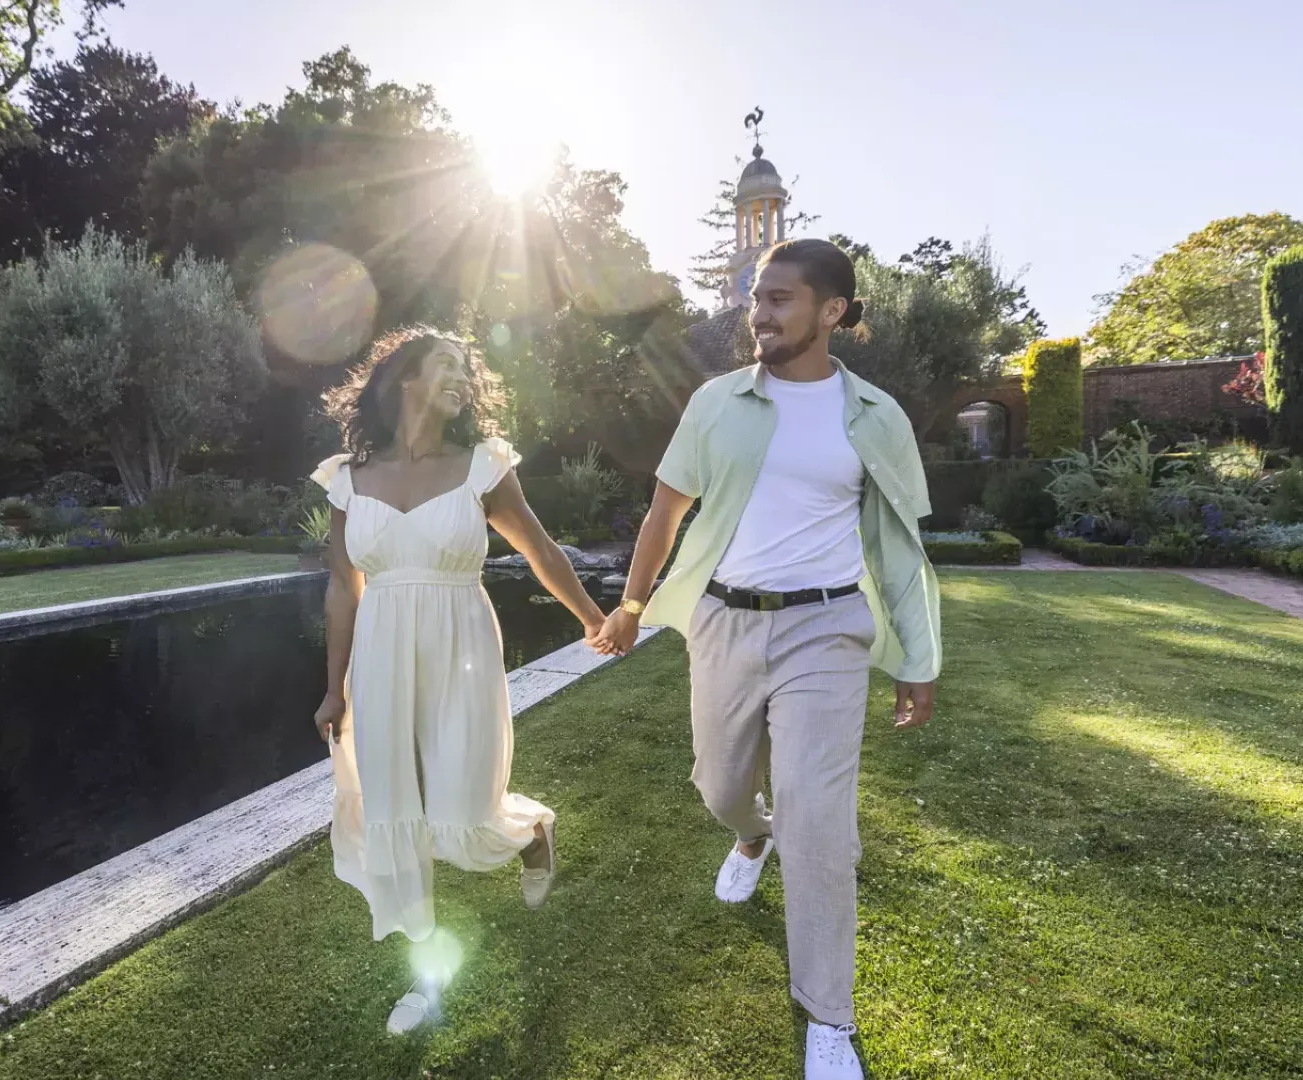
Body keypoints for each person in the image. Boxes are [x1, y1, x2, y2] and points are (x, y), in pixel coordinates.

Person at [591, 238, 941, 1079]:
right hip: (724, 623)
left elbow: (899, 547)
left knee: (822, 824)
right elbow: (663, 515)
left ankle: (829, 1015)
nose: (760, 314)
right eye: (757, 298)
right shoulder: (718, 402)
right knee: (719, 788)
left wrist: (918, 658)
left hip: (827, 630)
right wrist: (633, 604)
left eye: (780, 300)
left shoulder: (876, 418)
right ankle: (752, 839)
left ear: (831, 311)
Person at [312, 326, 609, 1035]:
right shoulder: (347, 480)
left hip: (462, 645)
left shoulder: (482, 467)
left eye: (467, 369)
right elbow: (340, 589)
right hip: (379, 655)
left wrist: (595, 618)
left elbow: (539, 549)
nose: (462, 377)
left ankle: (531, 833)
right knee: (396, 814)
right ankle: (426, 978)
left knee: (466, 811)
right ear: (405, 380)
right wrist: (334, 687)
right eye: (447, 363)